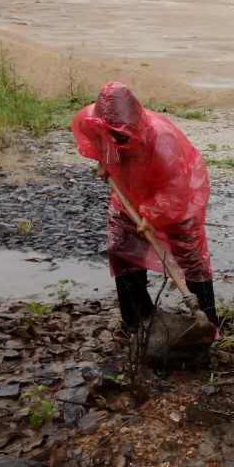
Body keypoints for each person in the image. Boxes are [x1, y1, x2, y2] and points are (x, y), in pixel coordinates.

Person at [71, 82, 217, 334]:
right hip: (128, 193)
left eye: (121, 137)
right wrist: (104, 161)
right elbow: (99, 144)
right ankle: (137, 317)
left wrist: (151, 215)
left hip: (178, 199)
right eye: (111, 135)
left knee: (190, 258)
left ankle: (208, 322)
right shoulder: (93, 121)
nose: (116, 140)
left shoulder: (162, 139)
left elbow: (175, 189)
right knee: (122, 249)